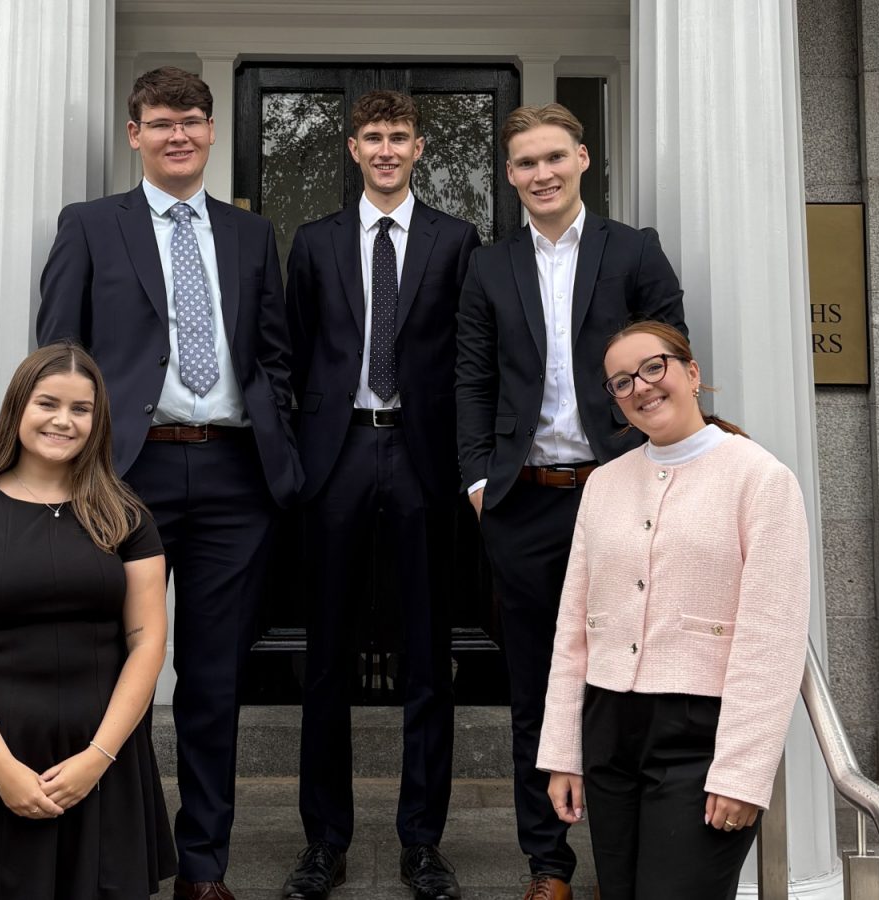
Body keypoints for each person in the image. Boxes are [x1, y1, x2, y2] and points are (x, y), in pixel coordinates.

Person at [38, 66, 301, 900]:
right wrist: (61, 475)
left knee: (214, 678)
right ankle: (108, 855)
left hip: (233, 476)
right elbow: (59, 359)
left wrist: (279, 443)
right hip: (124, 476)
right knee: (108, 666)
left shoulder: (250, 234)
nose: (178, 134)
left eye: (191, 120)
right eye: (161, 122)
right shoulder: (91, 226)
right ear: (136, 134)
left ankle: (202, 868)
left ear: (211, 131)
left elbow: (275, 354)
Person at [454, 103, 686, 899]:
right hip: (525, 505)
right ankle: (548, 865)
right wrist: (479, 483)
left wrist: (661, 474)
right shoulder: (489, 266)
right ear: (510, 175)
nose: (542, 173)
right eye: (526, 162)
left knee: (627, 686)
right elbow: (471, 380)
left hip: (620, 496)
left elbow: (670, 362)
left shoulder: (634, 251)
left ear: (583, 159)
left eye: (555, 157)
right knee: (536, 689)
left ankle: (627, 859)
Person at [281, 90, 481, 900]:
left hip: (422, 456)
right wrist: (293, 461)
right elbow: (293, 353)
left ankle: (422, 842)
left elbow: (469, 358)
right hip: (335, 456)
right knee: (325, 655)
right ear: (354, 149)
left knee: (429, 657)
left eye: (400, 136)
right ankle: (323, 841)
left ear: (420, 147)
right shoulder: (315, 241)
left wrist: (470, 461)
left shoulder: (456, 240)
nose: (387, 148)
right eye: (373, 136)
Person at [537, 321, 810, 899]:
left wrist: (743, 772)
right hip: (608, 729)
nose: (640, 386)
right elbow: (573, 628)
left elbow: (772, 640)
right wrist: (563, 753)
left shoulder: (761, 480)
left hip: (700, 737)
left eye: (653, 367)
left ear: (692, 372)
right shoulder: (604, 484)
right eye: (621, 381)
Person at [0, 342, 175, 899]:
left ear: (98, 421)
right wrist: (2, 767)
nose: (63, 421)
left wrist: (96, 759)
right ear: (18, 408)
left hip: (102, 759)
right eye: (48, 403)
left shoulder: (126, 515)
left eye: (81, 409)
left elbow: (148, 642)